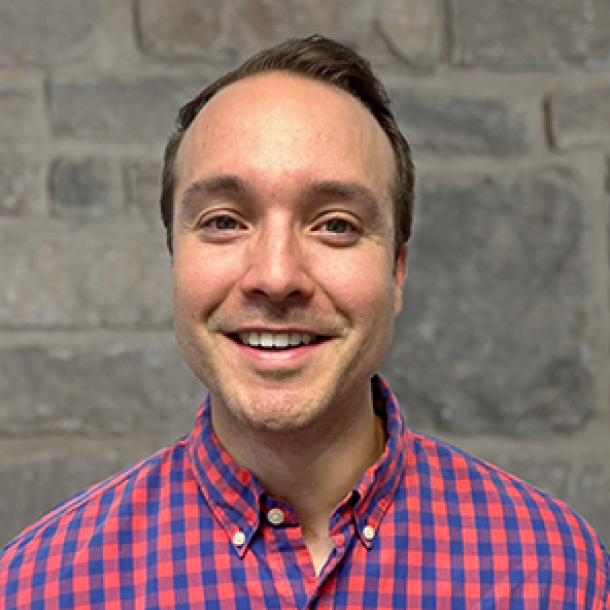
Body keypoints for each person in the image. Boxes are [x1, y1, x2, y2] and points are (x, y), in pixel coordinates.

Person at [0, 34, 608, 609]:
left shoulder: (552, 572)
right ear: (175, 263)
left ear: (397, 272)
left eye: (336, 224)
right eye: (223, 221)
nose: (276, 275)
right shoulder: (39, 586)